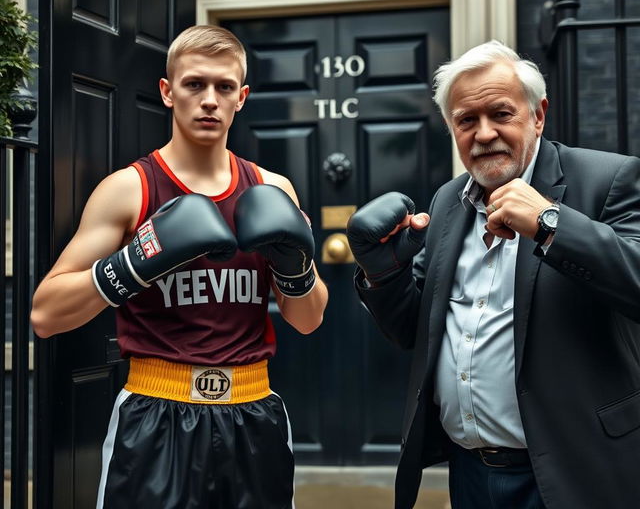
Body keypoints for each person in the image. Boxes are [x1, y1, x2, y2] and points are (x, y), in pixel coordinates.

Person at [30, 25, 328, 509]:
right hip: (155, 416)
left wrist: (294, 266)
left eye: (224, 87)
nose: (209, 99)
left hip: (254, 414)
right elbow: (45, 314)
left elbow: (309, 319)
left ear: (242, 97)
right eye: (194, 84)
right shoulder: (130, 189)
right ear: (168, 92)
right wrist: (132, 263)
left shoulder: (272, 190)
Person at [346, 40, 640, 509]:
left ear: (537, 115)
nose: (484, 134)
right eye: (466, 120)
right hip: (469, 474)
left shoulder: (607, 180)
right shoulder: (448, 200)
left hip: (574, 471)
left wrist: (550, 224)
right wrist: (382, 273)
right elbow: (412, 332)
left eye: (501, 114)